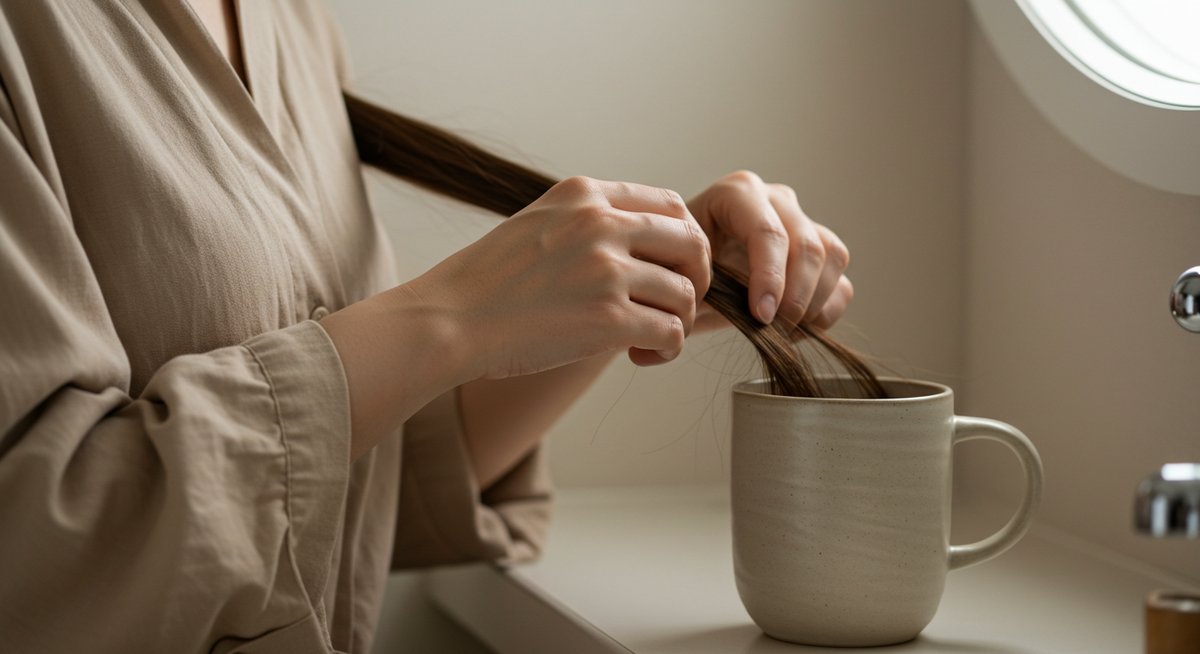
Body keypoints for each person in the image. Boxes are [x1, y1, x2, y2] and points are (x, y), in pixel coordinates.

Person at [0, 1, 853, 652]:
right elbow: (37, 559)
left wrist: (643, 286)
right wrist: (452, 315)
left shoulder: (288, 19)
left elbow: (326, 500)